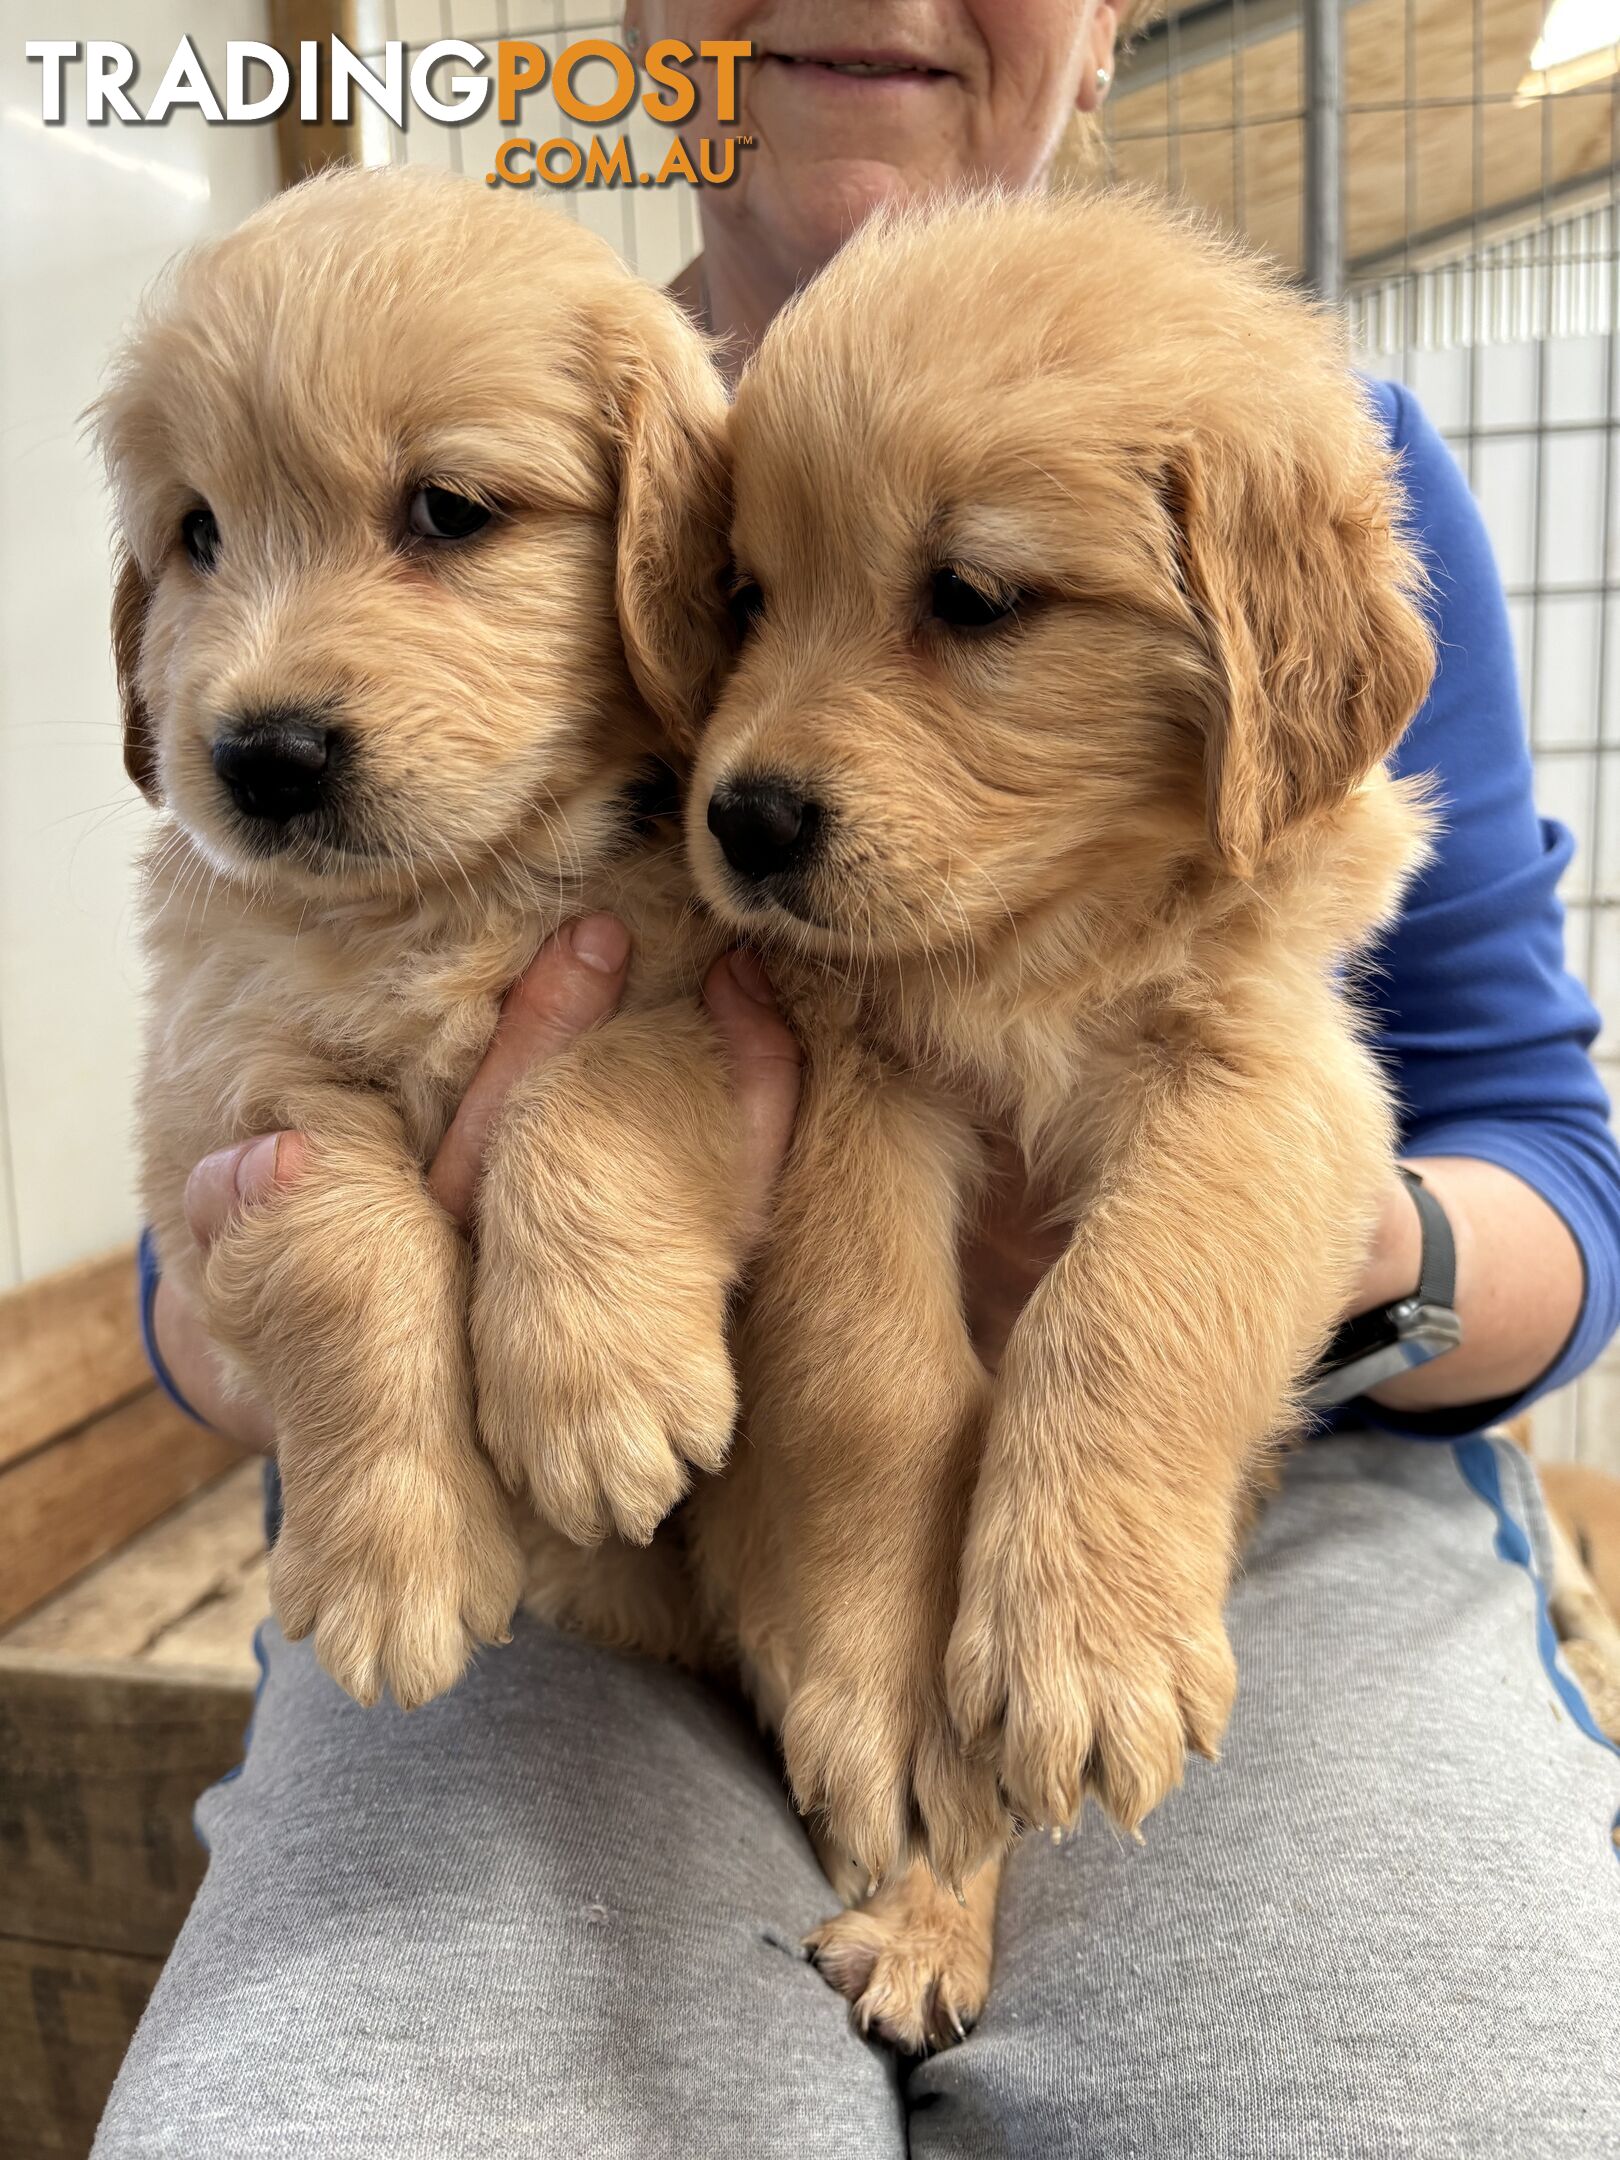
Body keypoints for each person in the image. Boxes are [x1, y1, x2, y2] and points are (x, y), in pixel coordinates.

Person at [98, 6, 1620, 2155]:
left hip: (1289, 1475)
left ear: (1105, 34)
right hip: (583, 1538)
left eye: (981, 596)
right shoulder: (607, 426)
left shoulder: (1312, 449)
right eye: (741, 599)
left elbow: (1535, 1150)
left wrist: (1236, 1304)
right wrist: (355, 1301)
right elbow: (243, 1173)